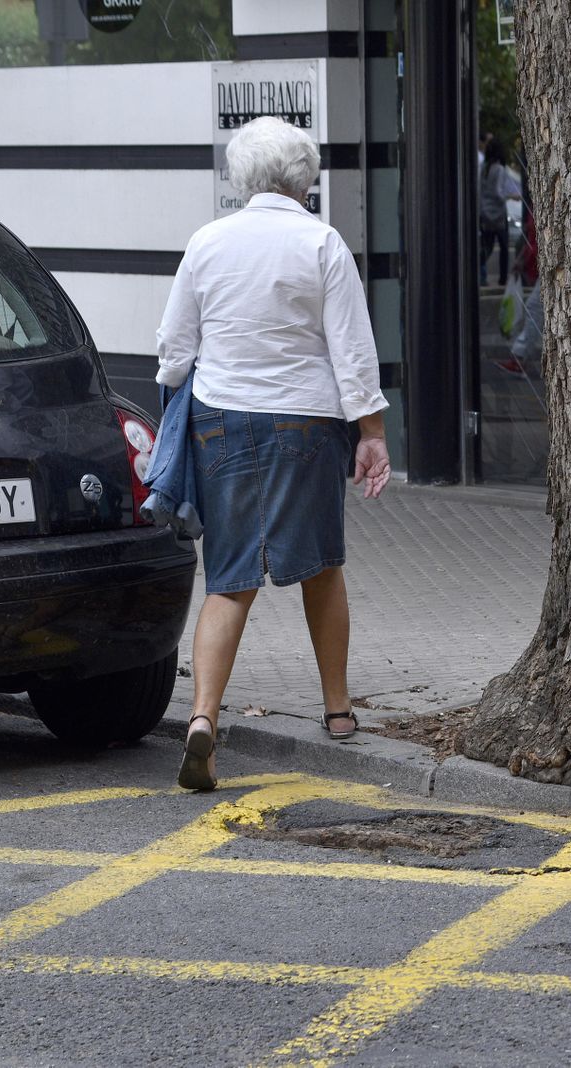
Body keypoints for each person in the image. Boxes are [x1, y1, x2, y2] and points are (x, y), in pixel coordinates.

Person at [155, 116, 392, 792]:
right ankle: (339, 710)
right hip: (306, 423)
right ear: (304, 177)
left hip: (221, 420)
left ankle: (203, 717)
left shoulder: (207, 242)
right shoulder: (321, 242)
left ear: (242, 178)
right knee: (321, 565)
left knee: (229, 578)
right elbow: (352, 350)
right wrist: (372, 432)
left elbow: (175, 350)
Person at [479, 137, 522, 288]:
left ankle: (479, 271)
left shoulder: (485, 168)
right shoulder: (500, 169)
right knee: (504, 246)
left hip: (485, 212)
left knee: (487, 246)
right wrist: (512, 196)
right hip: (498, 213)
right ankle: (503, 279)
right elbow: (498, 192)